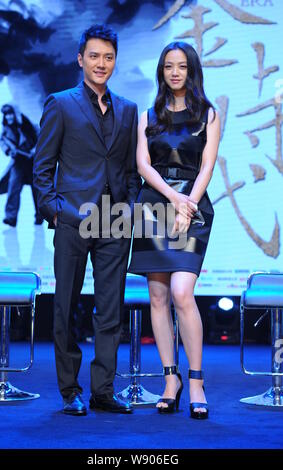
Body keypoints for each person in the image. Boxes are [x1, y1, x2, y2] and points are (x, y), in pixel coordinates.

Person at [33, 24, 141, 416]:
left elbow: (130, 169)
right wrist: (57, 211)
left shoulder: (128, 109)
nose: (101, 63)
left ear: (115, 61)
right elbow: (41, 168)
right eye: (94, 56)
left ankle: (103, 390)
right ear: (80, 59)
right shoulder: (60, 103)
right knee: (65, 307)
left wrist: (128, 207)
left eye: (108, 57)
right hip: (73, 220)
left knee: (110, 309)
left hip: (114, 221)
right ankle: (69, 391)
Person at [128, 41, 220, 419]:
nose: (175, 72)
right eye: (168, 66)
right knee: (158, 296)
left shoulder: (208, 114)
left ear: (191, 70)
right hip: (154, 204)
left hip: (193, 205)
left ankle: (195, 380)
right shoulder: (149, 114)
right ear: (162, 71)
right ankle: (171, 379)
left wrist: (188, 205)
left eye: (182, 66)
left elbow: (207, 166)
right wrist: (170, 198)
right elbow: (142, 164)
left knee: (183, 293)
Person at [0, 104, 43, 227]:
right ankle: (11, 218)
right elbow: (1, 140)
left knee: (36, 190)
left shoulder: (27, 124)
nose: (8, 117)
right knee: (13, 188)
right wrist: (8, 150)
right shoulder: (6, 128)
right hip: (18, 163)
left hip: (32, 162)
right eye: (6, 115)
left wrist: (35, 149)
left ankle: (40, 216)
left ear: (15, 114)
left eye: (10, 114)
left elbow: (41, 136)